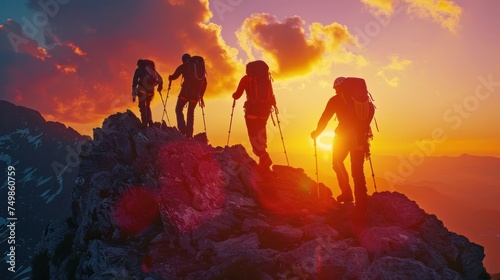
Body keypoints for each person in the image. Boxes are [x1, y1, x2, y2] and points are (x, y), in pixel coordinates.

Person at [311, 77, 375, 210]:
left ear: (339, 88)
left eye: (336, 89)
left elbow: (325, 118)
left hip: (343, 138)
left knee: (337, 162)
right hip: (360, 139)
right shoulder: (365, 101)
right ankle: (362, 204)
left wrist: (317, 133)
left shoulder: (335, 100)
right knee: (358, 171)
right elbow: (368, 119)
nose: (335, 91)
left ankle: (347, 193)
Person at [232, 60, 276, 171]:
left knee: (253, 136)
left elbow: (237, 95)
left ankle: (263, 156)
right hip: (265, 111)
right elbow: (271, 95)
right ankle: (263, 159)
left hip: (252, 111)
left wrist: (234, 95)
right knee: (261, 133)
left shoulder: (246, 79)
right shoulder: (266, 79)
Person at [169, 53, 207, 138]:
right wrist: (201, 95)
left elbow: (175, 76)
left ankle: (183, 130)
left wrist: (170, 78)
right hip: (196, 95)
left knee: (178, 109)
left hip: (185, 93)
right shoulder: (199, 69)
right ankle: (189, 134)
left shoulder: (185, 66)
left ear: (183, 60)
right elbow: (205, 83)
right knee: (190, 113)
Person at [132, 59, 163, 127]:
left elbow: (134, 82)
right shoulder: (151, 69)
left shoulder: (138, 70)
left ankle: (144, 123)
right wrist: (159, 87)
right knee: (148, 105)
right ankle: (150, 121)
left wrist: (134, 95)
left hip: (142, 90)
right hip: (150, 91)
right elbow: (160, 79)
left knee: (142, 106)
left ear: (139, 64)